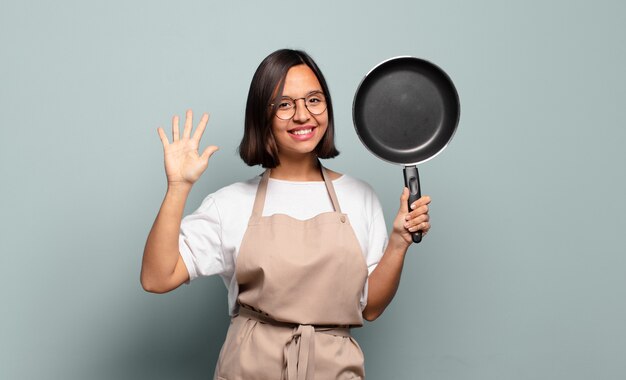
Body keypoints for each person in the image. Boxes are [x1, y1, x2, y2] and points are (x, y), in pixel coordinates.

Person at [141, 49, 431, 380]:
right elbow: (157, 278)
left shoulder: (359, 196)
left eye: (314, 100)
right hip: (249, 368)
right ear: (261, 116)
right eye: (284, 104)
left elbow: (371, 307)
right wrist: (178, 186)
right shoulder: (230, 203)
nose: (302, 115)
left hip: (334, 370)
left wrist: (398, 242)